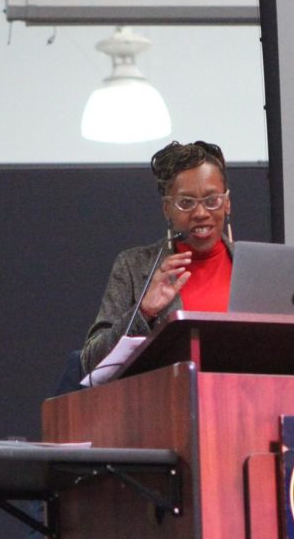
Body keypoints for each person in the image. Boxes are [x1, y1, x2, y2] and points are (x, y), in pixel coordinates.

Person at [81, 141, 233, 373]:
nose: (201, 213)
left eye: (212, 201)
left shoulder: (260, 270)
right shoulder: (134, 267)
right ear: (167, 209)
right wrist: (144, 312)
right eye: (186, 203)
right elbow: (91, 363)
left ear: (227, 202)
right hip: (166, 404)